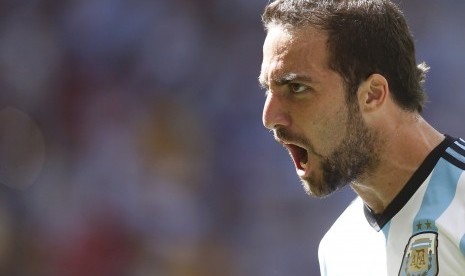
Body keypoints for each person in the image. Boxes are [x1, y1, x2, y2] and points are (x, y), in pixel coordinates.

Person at [258, 0, 465, 275]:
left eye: (297, 87)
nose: (269, 117)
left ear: (373, 94)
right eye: (267, 90)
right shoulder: (337, 249)